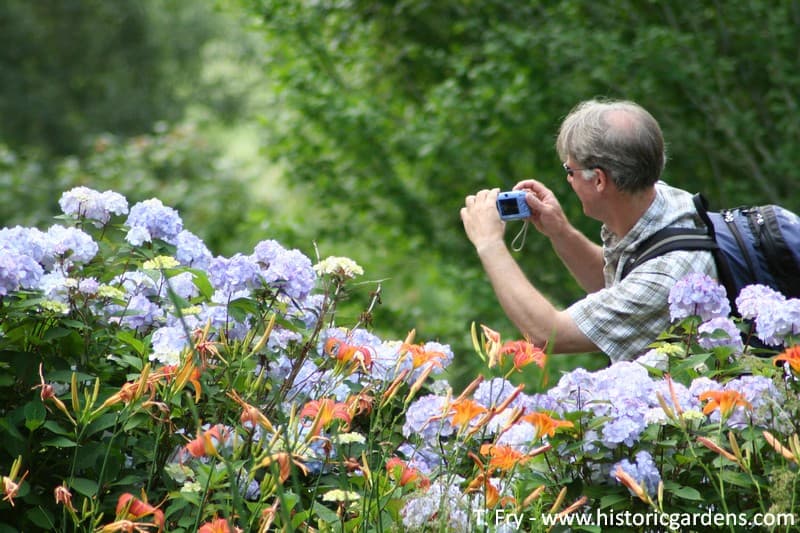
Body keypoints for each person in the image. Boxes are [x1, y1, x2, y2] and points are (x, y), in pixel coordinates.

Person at [460, 99, 716, 362]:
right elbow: (620, 286)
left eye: (569, 170)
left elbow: (547, 334)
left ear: (599, 179)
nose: (568, 179)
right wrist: (560, 232)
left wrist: (489, 243)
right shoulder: (666, 200)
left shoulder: (666, 274)